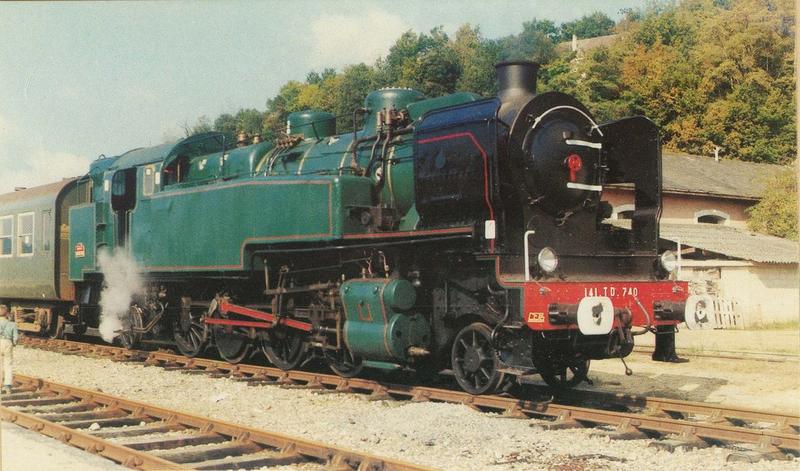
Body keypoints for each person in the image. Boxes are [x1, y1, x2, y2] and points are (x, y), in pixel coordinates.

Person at [0, 304, 19, 394]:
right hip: (8, 343)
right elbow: (16, 338)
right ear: (7, 314)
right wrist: (14, 343)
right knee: (8, 364)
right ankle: (7, 386)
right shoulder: (12, 324)